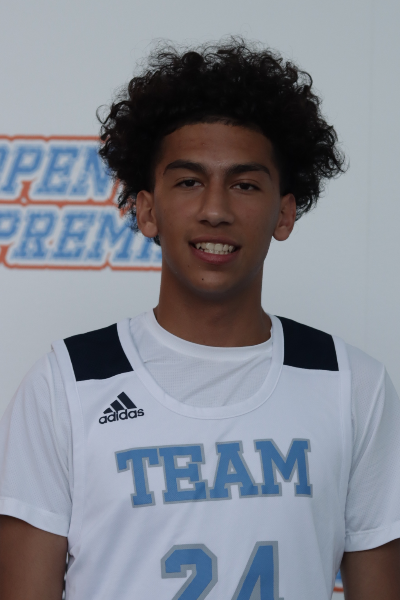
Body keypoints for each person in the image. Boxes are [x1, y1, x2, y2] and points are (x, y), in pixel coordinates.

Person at [0, 38, 399, 600]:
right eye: (189, 182)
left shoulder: (351, 385)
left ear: (284, 212)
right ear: (146, 210)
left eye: (245, 185)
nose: (215, 209)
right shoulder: (66, 383)